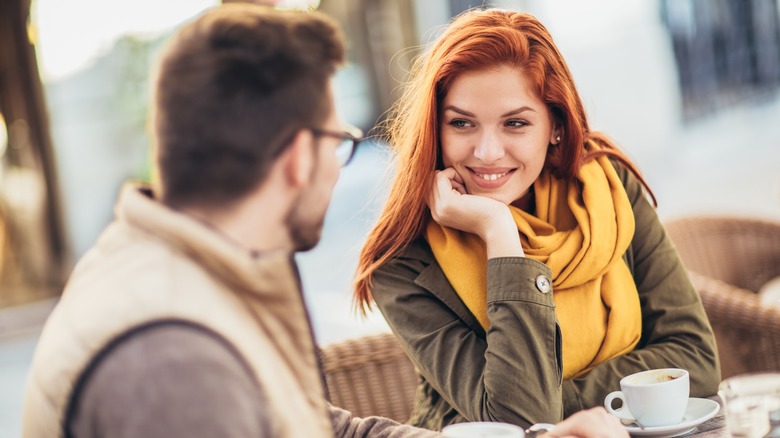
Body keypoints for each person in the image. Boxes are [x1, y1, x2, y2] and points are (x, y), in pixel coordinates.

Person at [20, 4, 626, 438]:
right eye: (340, 142)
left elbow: (318, 425)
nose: (340, 169)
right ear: (296, 158)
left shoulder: (176, 264)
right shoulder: (175, 359)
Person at [354, 8, 721, 431]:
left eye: (515, 123)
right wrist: (498, 231)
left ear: (555, 126)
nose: (487, 152)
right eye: (461, 123)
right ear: (435, 129)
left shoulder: (606, 188)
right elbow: (519, 421)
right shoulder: (404, 262)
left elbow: (695, 358)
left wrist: (556, 400)